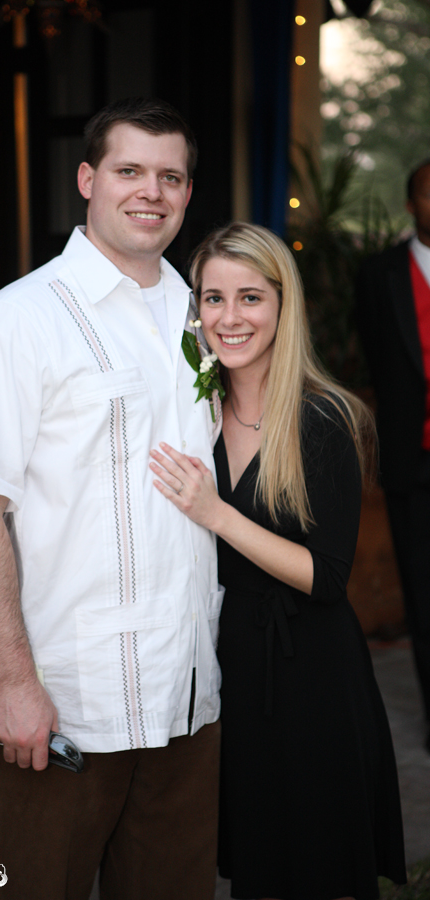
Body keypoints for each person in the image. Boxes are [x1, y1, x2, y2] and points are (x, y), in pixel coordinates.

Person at [0, 98, 223, 900]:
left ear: (187, 194)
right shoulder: (17, 322)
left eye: (170, 176)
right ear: (87, 179)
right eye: (130, 171)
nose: (151, 192)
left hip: (190, 695)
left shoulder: (202, 315)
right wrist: (16, 683)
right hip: (69, 701)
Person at [150, 222, 407, 900]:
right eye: (212, 298)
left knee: (319, 870)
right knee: (257, 869)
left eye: (250, 298)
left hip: (313, 676)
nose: (229, 318)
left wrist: (218, 514)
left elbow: (327, 577)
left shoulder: (325, 420)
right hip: (230, 669)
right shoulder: (193, 413)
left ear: (282, 305)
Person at [356, 158, 430, 752]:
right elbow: (371, 361)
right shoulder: (378, 274)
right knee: (423, 596)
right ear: (411, 203)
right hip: (413, 463)